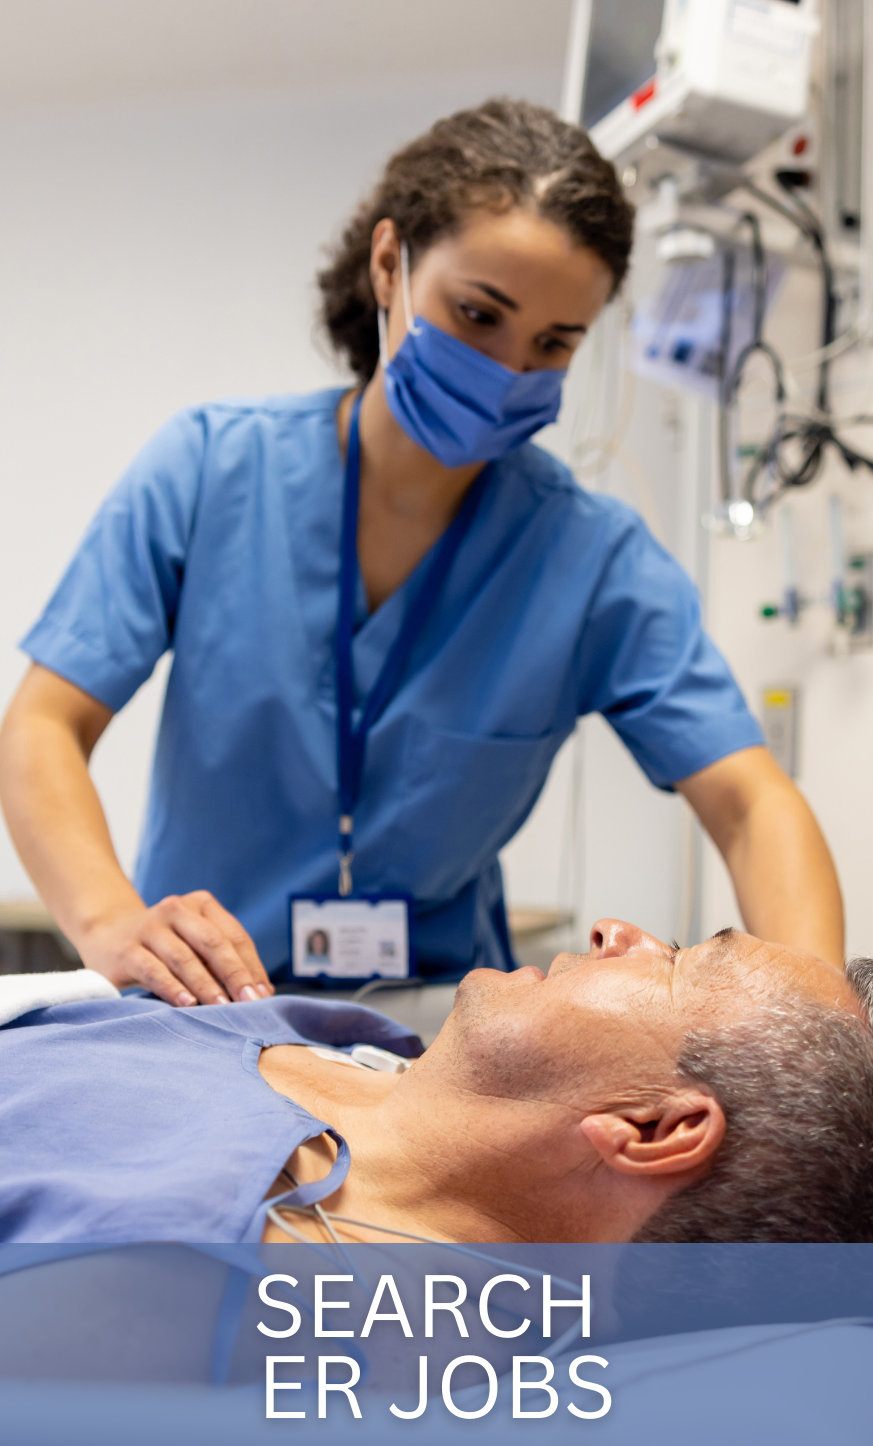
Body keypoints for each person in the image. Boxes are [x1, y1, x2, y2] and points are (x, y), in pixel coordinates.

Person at [0, 100, 843, 1009]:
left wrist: (812, 1035)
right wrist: (107, 923)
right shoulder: (209, 471)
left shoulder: (591, 562)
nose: (508, 370)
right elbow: (45, 726)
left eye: (553, 344)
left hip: (443, 1028)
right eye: (478, 314)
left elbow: (752, 806)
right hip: (200, 1001)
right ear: (389, 264)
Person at [3, 919, 872, 1245]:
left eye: (675, 961)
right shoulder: (374, 1054)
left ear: (651, 1128)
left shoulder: (185, 1251)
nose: (620, 930)